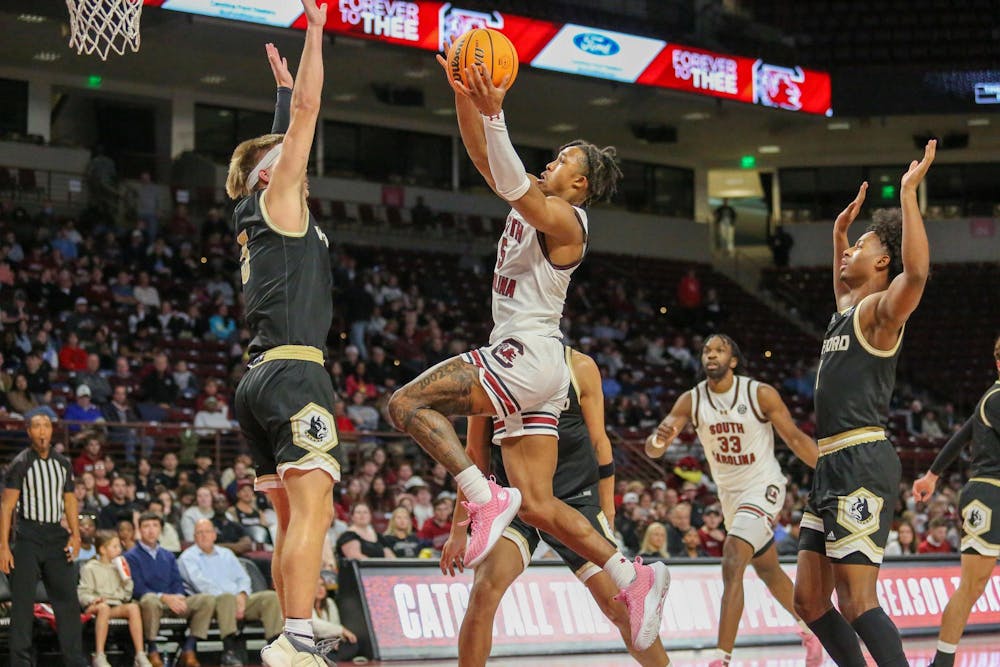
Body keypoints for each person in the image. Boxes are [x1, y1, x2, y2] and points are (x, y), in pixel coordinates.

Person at [386, 48, 667, 652]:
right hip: (541, 373)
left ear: (581, 183)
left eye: (565, 158)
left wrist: (496, 112)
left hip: (525, 354)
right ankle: (632, 575)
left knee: (405, 405)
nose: (553, 160)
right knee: (537, 504)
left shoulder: (568, 221)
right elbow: (492, 165)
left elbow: (511, 176)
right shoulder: (530, 199)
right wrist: (467, 95)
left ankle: (483, 498)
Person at [227, 15, 343, 663]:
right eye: (283, 155)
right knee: (315, 510)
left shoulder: (256, 213)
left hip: (258, 379)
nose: (291, 152)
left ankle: (290, 628)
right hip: (296, 374)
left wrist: (277, 101)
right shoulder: (278, 200)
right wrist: (317, 32)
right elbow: (308, 110)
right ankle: (295, 636)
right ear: (271, 176)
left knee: (289, 518)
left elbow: (280, 134)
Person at [794, 141, 935, 667]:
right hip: (828, 463)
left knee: (856, 601)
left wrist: (907, 194)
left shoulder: (880, 311)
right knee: (808, 600)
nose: (849, 252)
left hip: (860, 459)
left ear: (882, 261)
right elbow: (841, 284)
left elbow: (915, 275)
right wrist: (836, 236)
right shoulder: (846, 311)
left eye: (860, 246)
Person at [441, 347, 671, 666]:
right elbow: (474, 452)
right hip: (515, 503)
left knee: (619, 608)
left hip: (573, 499)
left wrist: (608, 509)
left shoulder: (578, 366)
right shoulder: (490, 368)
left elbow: (600, 442)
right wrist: (459, 530)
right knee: (483, 592)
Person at [646, 333, 822, 667]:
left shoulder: (758, 394)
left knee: (732, 557)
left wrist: (831, 472)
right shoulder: (691, 400)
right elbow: (655, 444)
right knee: (769, 570)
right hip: (729, 496)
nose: (711, 355)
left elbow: (796, 438)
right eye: (706, 351)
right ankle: (811, 630)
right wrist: (659, 440)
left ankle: (720, 658)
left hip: (764, 486)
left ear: (734, 360)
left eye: (719, 350)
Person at [912, 336, 1000, 667]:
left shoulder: (987, 401)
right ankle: (942, 662)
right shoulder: (996, 398)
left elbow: (961, 435)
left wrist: (932, 476)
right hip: (989, 495)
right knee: (972, 585)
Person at [0, 411, 87, 667]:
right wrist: (4, 546)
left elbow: (70, 500)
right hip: (27, 536)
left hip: (55, 535)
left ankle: (74, 660)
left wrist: (76, 534)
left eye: (46, 425)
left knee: (68, 602)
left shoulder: (63, 463)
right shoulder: (20, 463)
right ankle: (21, 663)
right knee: (22, 605)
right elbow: (7, 507)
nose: (41, 430)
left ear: (51, 431)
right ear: (28, 431)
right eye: (36, 426)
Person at [179, 519, 283, 667]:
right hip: (210, 605)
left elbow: (243, 578)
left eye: (207, 532)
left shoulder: (226, 554)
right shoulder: (188, 557)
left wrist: (242, 594)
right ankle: (230, 650)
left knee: (270, 597)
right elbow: (201, 585)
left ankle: (273, 648)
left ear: (214, 535)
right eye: (199, 533)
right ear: (194, 537)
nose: (204, 536)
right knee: (226, 598)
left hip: (238, 601)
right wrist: (234, 600)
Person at [125, 512, 216, 667]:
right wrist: (164, 597)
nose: (151, 530)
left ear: (160, 529)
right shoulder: (131, 556)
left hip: (173, 601)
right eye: (146, 526)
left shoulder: (168, 555)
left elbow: (177, 581)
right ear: (139, 530)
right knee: (149, 600)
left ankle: (189, 648)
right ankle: (152, 651)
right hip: (151, 602)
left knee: (206, 600)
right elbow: (137, 588)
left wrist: (179, 596)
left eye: (155, 526)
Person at [78, 530, 153, 667]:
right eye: (115, 546)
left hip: (114, 605)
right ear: (102, 549)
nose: (119, 550)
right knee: (104, 608)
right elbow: (82, 593)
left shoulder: (118, 567)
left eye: (119, 546)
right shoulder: (90, 568)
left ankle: (140, 654)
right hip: (96, 606)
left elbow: (126, 595)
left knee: (133, 607)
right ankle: (99, 655)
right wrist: (93, 599)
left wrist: (126, 578)